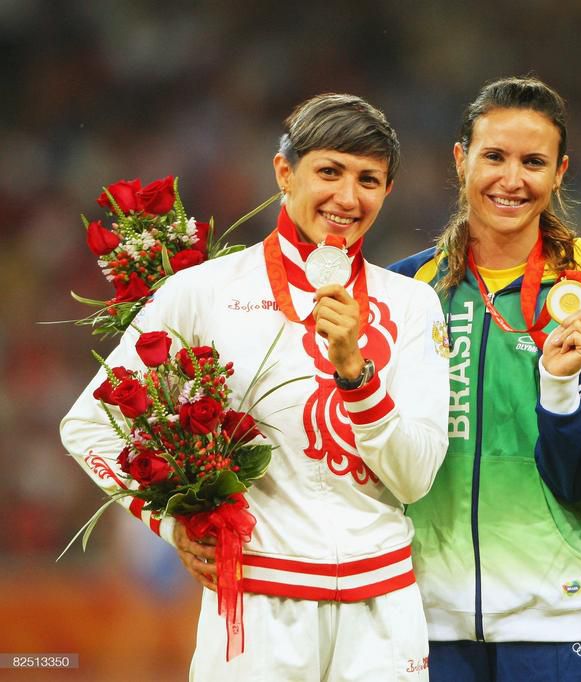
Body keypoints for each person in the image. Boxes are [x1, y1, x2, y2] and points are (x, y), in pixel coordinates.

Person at [60, 93, 449, 680]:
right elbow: (87, 424)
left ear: (387, 191)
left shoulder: (414, 305)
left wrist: (358, 376)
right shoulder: (204, 291)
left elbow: (415, 478)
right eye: (329, 172)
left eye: (369, 179)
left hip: (383, 616)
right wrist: (169, 520)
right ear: (284, 173)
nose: (348, 197)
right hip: (257, 610)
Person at [390, 76, 581, 682]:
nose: (511, 179)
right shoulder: (402, 294)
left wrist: (557, 388)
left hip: (557, 614)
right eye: (494, 156)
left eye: (534, 162)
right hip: (421, 617)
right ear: (460, 160)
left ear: (559, 173)